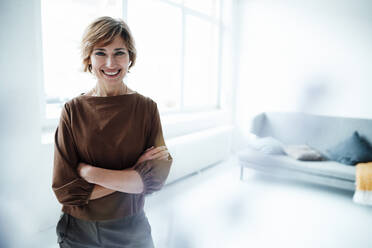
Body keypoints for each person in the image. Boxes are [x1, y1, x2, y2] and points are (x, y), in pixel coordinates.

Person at [52, 16, 173, 248]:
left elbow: (155, 178)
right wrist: (134, 173)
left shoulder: (146, 108)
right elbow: (66, 192)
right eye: (100, 53)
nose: (110, 63)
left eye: (119, 52)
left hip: (131, 230)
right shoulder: (72, 110)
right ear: (89, 58)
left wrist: (89, 173)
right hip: (78, 231)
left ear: (130, 58)